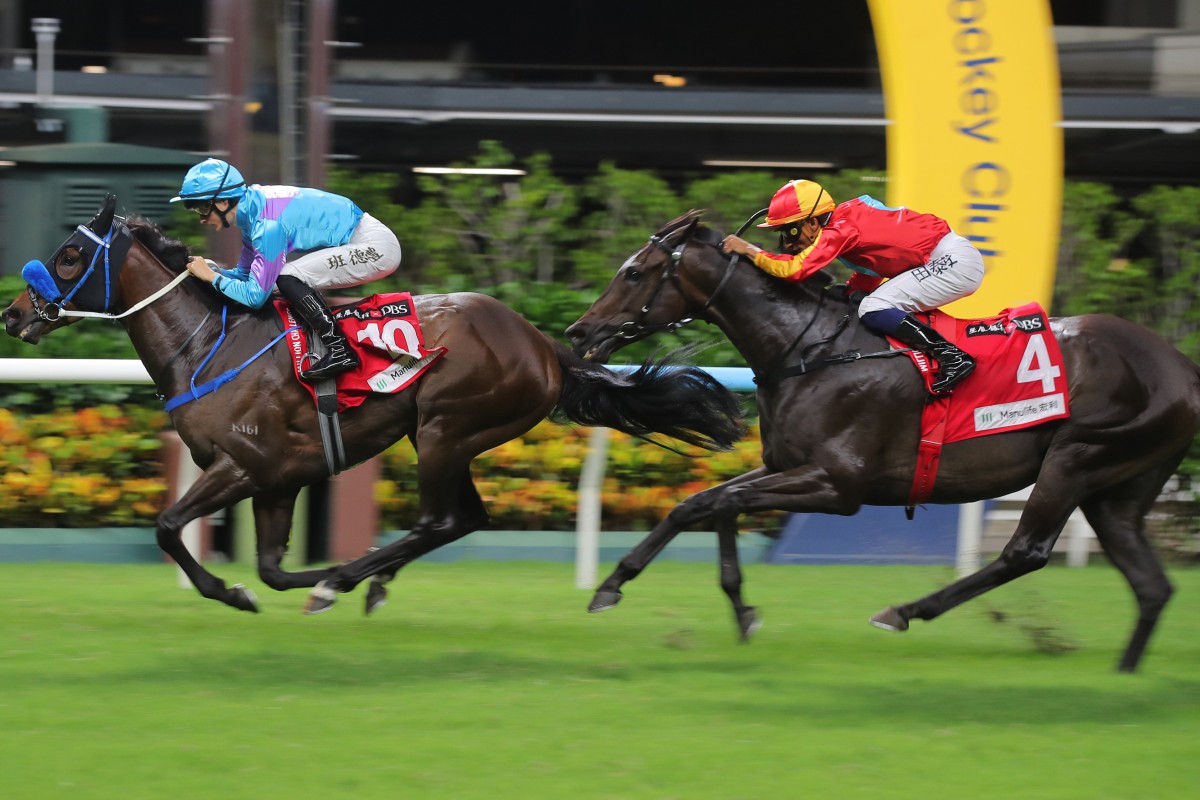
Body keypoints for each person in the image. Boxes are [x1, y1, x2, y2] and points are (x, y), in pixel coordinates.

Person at [721, 179, 984, 395]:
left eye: (791, 231)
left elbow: (794, 270)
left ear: (813, 222)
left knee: (874, 306)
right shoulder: (845, 221)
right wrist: (849, 292)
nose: (788, 242)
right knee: (864, 302)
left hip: (953, 262)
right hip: (947, 257)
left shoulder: (840, 229)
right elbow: (870, 271)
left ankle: (952, 357)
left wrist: (749, 250)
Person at [171, 158, 402, 383]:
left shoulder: (267, 225)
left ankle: (340, 349)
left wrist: (212, 277)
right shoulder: (253, 215)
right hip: (360, 239)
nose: (202, 219)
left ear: (223, 202)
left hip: (375, 247)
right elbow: (244, 276)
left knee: (287, 277)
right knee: (286, 277)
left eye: (203, 208)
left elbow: (254, 297)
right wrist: (211, 273)